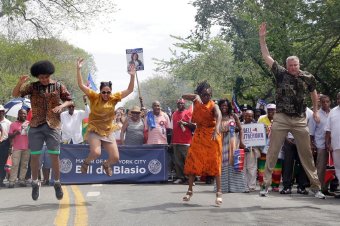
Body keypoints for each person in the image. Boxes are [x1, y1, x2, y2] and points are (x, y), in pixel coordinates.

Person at [259, 22, 325, 199]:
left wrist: (316, 111)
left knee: (306, 153)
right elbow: (266, 56)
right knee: (272, 151)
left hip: (299, 119)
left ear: (299, 64)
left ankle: (315, 187)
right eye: (290, 65)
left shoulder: (307, 77)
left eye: (295, 65)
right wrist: (262, 38)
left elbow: (314, 93)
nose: (293, 68)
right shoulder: (281, 74)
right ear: (286, 66)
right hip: (281, 117)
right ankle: (265, 185)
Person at [12, 60, 73, 201]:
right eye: (40, 77)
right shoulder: (32, 87)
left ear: (49, 74)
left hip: (53, 124)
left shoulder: (58, 86)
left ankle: (57, 182)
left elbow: (70, 100)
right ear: (37, 77)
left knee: (54, 155)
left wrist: (61, 106)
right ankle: (35, 183)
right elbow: (16, 94)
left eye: (45, 77)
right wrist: (20, 82)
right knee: (35, 156)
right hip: (36, 125)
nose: (43, 80)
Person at [76, 58, 135, 177]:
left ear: (111, 92)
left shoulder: (114, 98)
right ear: (100, 91)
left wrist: (132, 76)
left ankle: (106, 165)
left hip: (108, 130)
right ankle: (86, 163)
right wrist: (78, 69)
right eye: (104, 92)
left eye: (108, 92)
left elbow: (129, 90)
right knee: (96, 153)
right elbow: (81, 85)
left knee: (115, 158)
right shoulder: (94, 96)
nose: (106, 95)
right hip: (94, 129)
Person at [182, 81, 223, 205]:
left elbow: (219, 115)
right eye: (204, 94)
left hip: (212, 136)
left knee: (215, 163)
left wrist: (217, 129)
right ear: (200, 94)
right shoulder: (196, 101)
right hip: (199, 135)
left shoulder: (213, 105)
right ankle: (190, 190)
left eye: (209, 95)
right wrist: (195, 96)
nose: (207, 97)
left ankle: (219, 192)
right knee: (193, 161)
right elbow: (184, 96)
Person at [215, 98, 247, 193]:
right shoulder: (217, 117)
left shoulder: (233, 116)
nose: (224, 107)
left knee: (234, 162)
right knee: (222, 163)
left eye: (226, 105)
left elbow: (240, 129)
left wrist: (241, 142)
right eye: (222, 106)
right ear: (219, 107)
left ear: (228, 107)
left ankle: (236, 187)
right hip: (220, 142)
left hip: (232, 142)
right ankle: (222, 187)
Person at [257, 103, 283, 192]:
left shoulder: (280, 119)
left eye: (273, 110)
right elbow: (257, 131)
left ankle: (275, 185)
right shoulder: (261, 118)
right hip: (264, 147)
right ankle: (263, 184)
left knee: (277, 166)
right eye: (269, 110)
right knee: (263, 166)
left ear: (276, 111)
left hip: (277, 145)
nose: (271, 112)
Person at [309, 95, 331, 195]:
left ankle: (326, 188)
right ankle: (318, 189)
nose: (325, 104)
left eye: (327, 102)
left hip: (333, 145)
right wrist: (311, 145)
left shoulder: (333, 113)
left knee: (331, 169)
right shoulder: (316, 115)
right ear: (320, 103)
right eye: (323, 102)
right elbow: (311, 133)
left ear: (330, 102)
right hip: (321, 145)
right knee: (320, 168)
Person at [171, 98, 195, 184]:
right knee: (178, 162)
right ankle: (180, 177)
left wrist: (185, 123)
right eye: (179, 103)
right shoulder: (174, 114)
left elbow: (194, 126)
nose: (180, 105)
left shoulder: (189, 113)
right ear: (177, 104)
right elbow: (171, 128)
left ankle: (190, 178)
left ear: (184, 104)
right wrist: (171, 141)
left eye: (182, 103)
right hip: (176, 141)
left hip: (186, 141)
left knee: (188, 161)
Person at [8, 109, 30, 188]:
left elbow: (33, 135)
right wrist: (15, 133)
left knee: (24, 165)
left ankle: (22, 180)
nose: (23, 115)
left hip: (27, 147)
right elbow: (10, 136)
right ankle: (12, 181)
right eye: (21, 113)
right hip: (17, 147)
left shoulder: (29, 124)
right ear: (18, 114)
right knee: (15, 164)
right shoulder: (13, 124)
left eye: (25, 114)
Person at [325, 92, 340, 198]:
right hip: (336, 146)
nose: (339, 100)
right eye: (338, 98)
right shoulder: (333, 112)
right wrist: (328, 144)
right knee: (338, 168)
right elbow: (328, 130)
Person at [243, 110, 261, 191]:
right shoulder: (240, 125)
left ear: (253, 117)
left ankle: (252, 186)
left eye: (250, 116)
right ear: (244, 115)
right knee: (242, 168)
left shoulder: (256, 126)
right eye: (246, 115)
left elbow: (259, 138)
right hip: (242, 149)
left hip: (252, 149)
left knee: (252, 168)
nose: (248, 117)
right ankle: (243, 185)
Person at [0, 105, 11, 187]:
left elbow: (9, 136)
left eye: (2, 111)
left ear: (4, 112)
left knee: (2, 162)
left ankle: (1, 179)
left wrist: (10, 147)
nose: (0, 113)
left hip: (4, 144)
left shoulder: (8, 123)